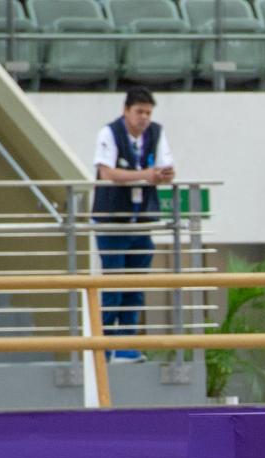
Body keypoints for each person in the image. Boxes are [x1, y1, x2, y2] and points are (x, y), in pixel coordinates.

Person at [91, 86, 175, 364]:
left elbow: (165, 170)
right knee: (113, 286)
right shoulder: (109, 133)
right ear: (126, 111)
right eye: (139, 112)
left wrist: (162, 175)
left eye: (148, 113)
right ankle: (102, 348)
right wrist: (146, 174)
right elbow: (106, 172)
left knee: (135, 287)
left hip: (141, 222)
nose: (144, 118)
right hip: (112, 222)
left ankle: (125, 346)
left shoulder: (156, 133)